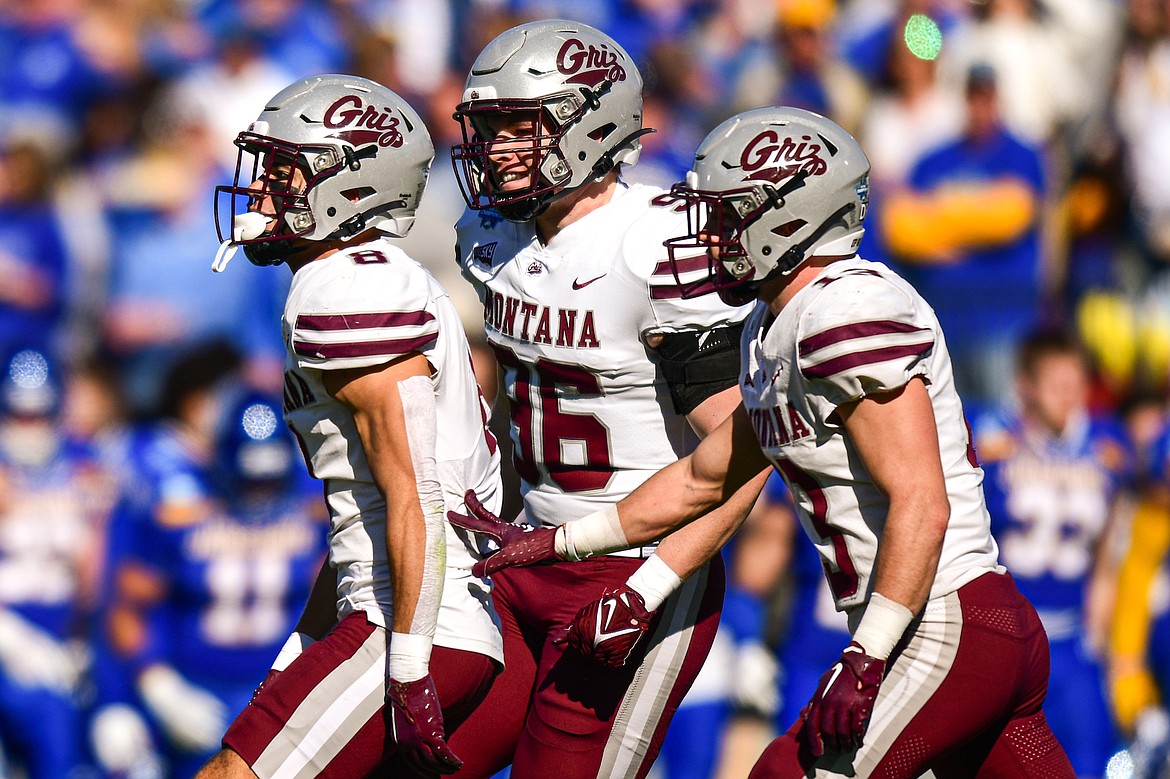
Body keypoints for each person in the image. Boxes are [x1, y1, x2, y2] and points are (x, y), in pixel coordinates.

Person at [451, 106, 1077, 777]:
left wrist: (866, 654)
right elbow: (706, 475)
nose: (708, 236)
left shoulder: (847, 310)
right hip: (959, 628)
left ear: (791, 217)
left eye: (728, 216)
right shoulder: (773, 325)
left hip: (947, 625)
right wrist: (561, 542)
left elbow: (922, 501)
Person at [447, 19, 762, 779]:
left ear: (590, 127)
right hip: (528, 544)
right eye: (489, 130)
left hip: (638, 563)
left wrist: (647, 587)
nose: (496, 150)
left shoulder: (658, 245)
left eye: (519, 130)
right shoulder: (489, 237)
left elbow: (746, 453)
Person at [196, 73, 505, 778]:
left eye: (284, 171)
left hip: (413, 616)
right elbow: (360, 513)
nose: (262, 189)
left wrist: (411, 658)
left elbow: (417, 490)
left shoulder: (349, 286)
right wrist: (304, 641)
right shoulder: (343, 278)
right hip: (392, 606)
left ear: (352, 185)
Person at [103, 388, 328, 778]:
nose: (259, 494)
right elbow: (126, 605)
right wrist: (151, 681)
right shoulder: (183, 510)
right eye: (249, 482)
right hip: (193, 687)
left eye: (268, 481)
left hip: (277, 691)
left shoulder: (312, 509)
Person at [975, 328, 1127, 777]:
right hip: (1007, 639)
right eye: (1056, 385)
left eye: (1076, 385)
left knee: (1087, 760)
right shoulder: (991, 440)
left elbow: (1108, 554)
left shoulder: (1106, 445)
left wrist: (1106, 641)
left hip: (1073, 642)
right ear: (1025, 385)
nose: (1069, 397)